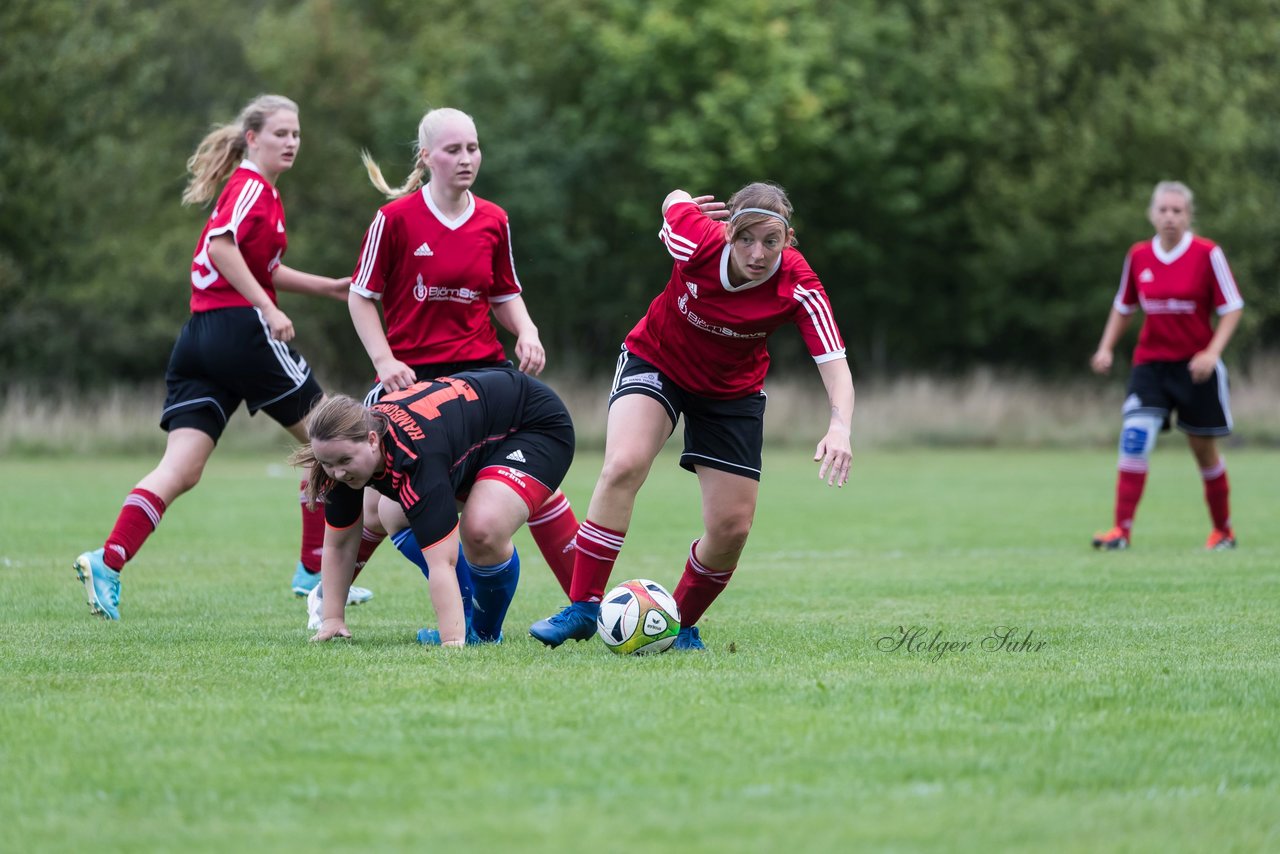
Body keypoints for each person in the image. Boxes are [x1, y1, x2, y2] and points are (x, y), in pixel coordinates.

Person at [72, 93, 371, 619]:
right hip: (241, 330)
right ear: (252, 138)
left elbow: (266, 268)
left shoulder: (263, 195)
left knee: (181, 469)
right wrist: (268, 311)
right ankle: (313, 574)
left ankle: (108, 561)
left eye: (297, 134)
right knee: (332, 441)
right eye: (281, 133)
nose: (292, 142)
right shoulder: (252, 186)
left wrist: (330, 288)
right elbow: (220, 248)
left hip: (201, 336)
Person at [529, 182, 854, 651]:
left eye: (771, 241)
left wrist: (839, 425)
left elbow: (834, 361)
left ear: (789, 239)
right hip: (657, 361)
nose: (757, 253)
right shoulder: (694, 238)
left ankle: (677, 624)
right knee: (624, 463)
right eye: (745, 238)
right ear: (727, 231)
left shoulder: (798, 282)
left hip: (731, 392)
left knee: (731, 529)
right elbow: (674, 197)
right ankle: (583, 606)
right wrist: (675, 204)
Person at [338, 107, 580, 627]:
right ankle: (332, 600)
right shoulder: (395, 220)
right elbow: (361, 297)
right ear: (426, 157)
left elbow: (505, 292)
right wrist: (385, 362)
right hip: (413, 384)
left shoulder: (493, 219)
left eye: (473, 147)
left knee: (527, 489)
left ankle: (588, 605)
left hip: (481, 377)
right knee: (387, 507)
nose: (467, 158)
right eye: (453, 150)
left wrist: (529, 331)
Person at [292, 369, 575, 646]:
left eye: (344, 461)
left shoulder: (416, 460)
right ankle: (465, 622)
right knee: (391, 513)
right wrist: (332, 619)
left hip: (536, 425)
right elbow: (339, 545)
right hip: (478, 438)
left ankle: (482, 634)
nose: (337, 473)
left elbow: (442, 562)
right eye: (327, 463)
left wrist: (451, 643)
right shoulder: (340, 457)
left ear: (372, 440)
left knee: (481, 528)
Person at [1090, 181, 1244, 551]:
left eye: (1178, 211)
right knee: (1135, 437)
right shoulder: (1139, 255)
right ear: (1152, 214)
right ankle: (1120, 532)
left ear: (1188, 215)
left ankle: (1223, 531)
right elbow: (1124, 306)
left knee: (1203, 451)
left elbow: (1232, 308)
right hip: (1151, 367)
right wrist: (1106, 347)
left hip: (1196, 369)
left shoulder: (1208, 254)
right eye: (1163, 210)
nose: (1170, 217)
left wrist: (1211, 353)